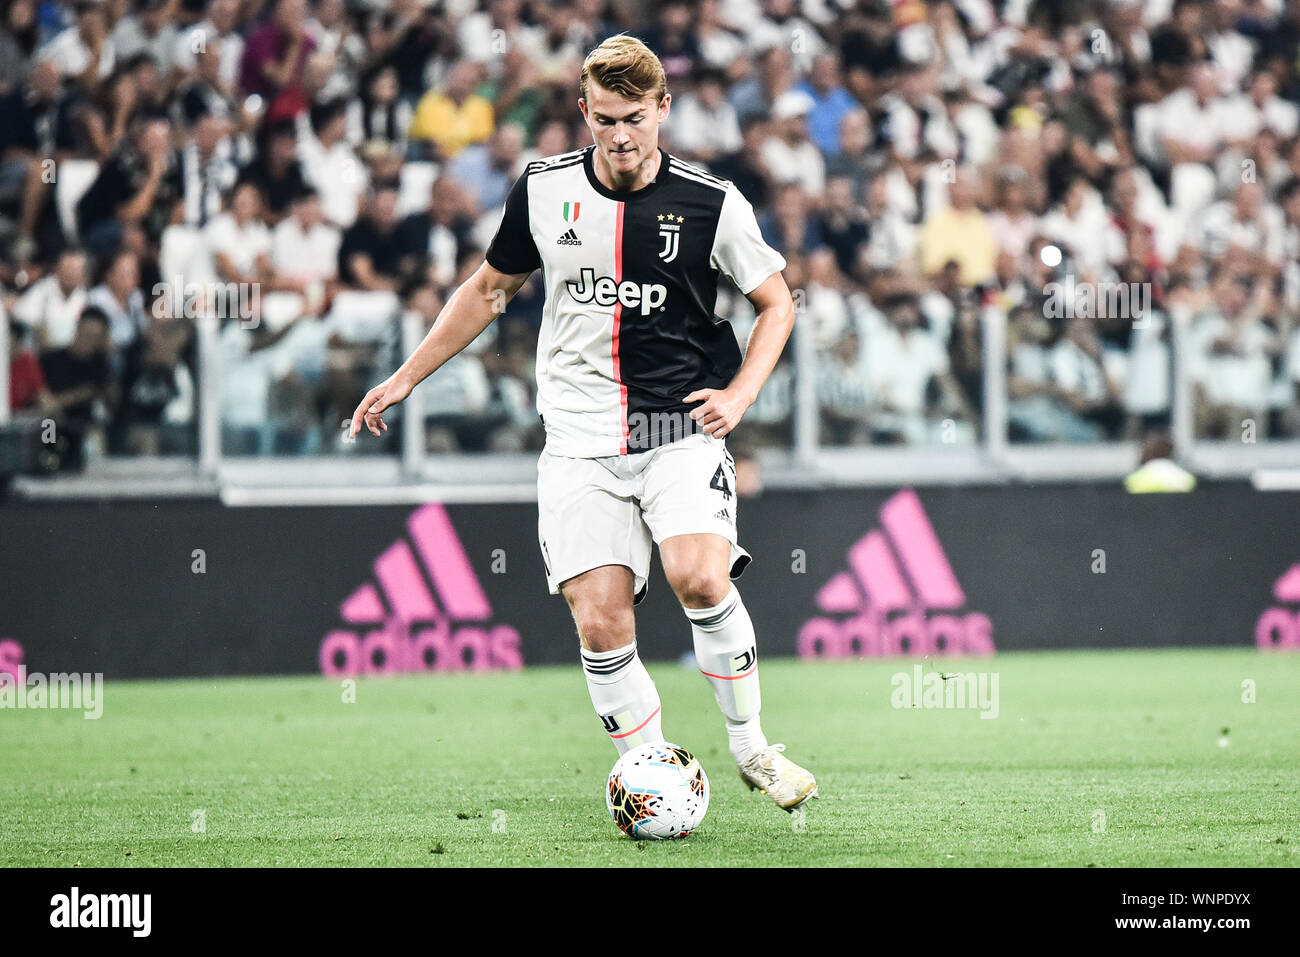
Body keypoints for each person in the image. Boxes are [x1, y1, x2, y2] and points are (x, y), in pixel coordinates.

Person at [348, 35, 817, 812]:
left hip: (679, 428)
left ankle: (751, 748)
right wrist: (405, 377)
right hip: (577, 440)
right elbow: (487, 290)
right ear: (583, 112)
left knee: (699, 573)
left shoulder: (711, 203)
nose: (620, 135)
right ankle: (652, 776)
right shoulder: (542, 191)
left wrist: (738, 395)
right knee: (600, 623)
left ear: (663, 109)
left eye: (634, 117)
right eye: (604, 119)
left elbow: (778, 303)